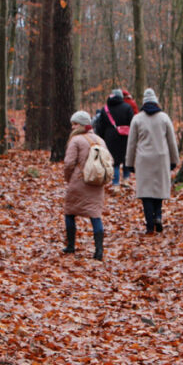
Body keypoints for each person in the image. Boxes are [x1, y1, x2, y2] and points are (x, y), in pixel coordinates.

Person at [125, 88, 178, 235]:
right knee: (158, 190)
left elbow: (131, 143)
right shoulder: (164, 118)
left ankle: (149, 225)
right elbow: (171, 141)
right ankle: (158, 217)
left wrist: (129, 163)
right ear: (156, 101)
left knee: (146, 193)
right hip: (161, 158)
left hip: (143, 160)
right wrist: (174, 160)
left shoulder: (137, 119)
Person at [62, 111, 108, 260]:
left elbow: (69, 163)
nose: (72, 127)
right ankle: (99, 250)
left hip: (79, 181)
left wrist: (69, 179)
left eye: (75, 124)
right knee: (95, 215)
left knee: (69, 212)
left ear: (82, 125)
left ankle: (70, 246)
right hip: (97, 182)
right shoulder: (100, 140)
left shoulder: (76, 140)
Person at [95, 89, 134, 185]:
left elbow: (100, 126)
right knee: (126, 159)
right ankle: (126, 180)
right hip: (125, 136)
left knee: (114, 162)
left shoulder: (105, 109)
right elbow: (132, 123)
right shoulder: (127, 107)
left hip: (110, 137)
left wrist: (103, 137)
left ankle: (115, 184)